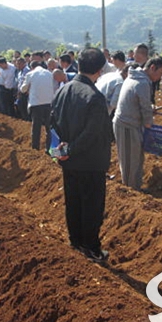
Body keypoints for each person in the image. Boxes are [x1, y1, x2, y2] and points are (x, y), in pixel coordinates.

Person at [51, 48, 112, 262]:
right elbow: (92, 134)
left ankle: (75, 242)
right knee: (92, 206)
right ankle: (92, 248)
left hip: (68, 161)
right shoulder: (94, 97)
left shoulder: (62, 90)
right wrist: (71, 149)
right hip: (90, 161)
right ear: (100, 70)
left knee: (74, 202)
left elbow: (53, 123)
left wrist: (60, 151)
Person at [113, 57, 162, 190]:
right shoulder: (142, 82)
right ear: (152, 67)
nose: (160, 77)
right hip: (127, 125)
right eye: (160, 72)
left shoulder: (135, 77)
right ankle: (130, 191)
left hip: (132, 124)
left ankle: (136, 188)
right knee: (130, 162)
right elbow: (145, 109)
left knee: (137, 158)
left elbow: (141, 104)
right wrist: (150, 128)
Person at [20, 61, 55, 151]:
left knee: (36, 128)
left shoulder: (30, 74)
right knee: (48, 127)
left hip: (36, 104)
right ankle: (49, 148)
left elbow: (23, 89)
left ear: (32, 67)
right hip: (48, 103)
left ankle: (35, 148)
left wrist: (28, 86)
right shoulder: (49, 73)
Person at [96, 50, 126, 116]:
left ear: (117, 60)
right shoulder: (116, 70)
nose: (112, 62)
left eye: (113, 60)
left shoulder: (125, 71)